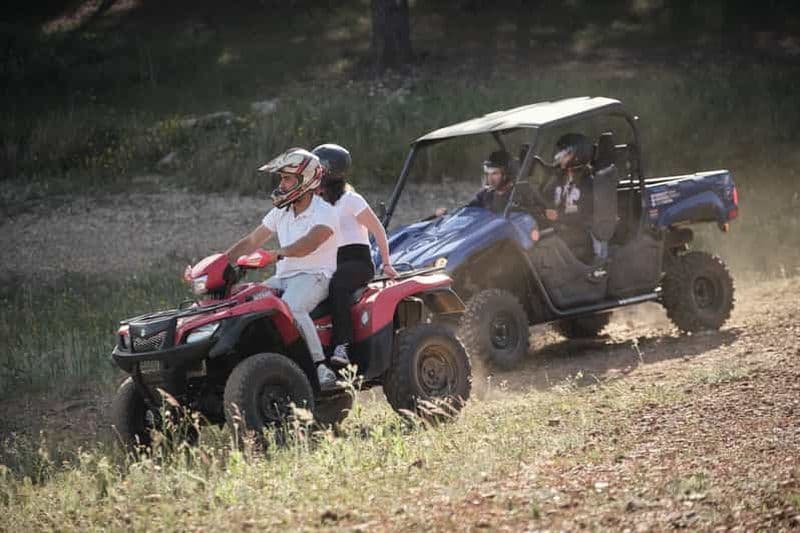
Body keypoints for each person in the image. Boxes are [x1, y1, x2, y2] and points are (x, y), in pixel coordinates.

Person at [225, 148, 340, 389]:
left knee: (291, 308)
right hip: (283, 278)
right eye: (281, 178)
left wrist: (275, 254)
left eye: (287, 178)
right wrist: (219, 263)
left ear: (305, 180)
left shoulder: (325, 212)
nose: (281, 184)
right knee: (245, 304)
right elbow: (252, 241)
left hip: (315, 276)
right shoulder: (281, 212)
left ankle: (321, 368)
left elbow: (309, 244)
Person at [313, 143, 399, 367]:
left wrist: (387, 263)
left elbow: (378, 229)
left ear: (330, 170)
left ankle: (343, 345)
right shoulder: (317, 203)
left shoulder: (352, 200)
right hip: (332, 262)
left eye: (317, 168)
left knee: (337, 286)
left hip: (357, 262)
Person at [548, 133, 608, 274]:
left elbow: (585, 214)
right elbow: (544, 199)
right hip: (561, 229)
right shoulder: (558, 179)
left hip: (582, 232)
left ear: (576, 155)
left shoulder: (588, 182)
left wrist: (558, 217)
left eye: (564, 154)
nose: (559, 157)